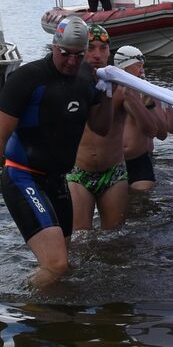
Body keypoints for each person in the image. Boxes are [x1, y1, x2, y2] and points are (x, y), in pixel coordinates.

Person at [0, 16, 113, 287]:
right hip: (24, 178)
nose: (72, 61)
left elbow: (102, 128)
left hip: (58, 181)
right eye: (65, 54)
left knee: (62, 264)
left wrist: (106, 94)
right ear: (53, 46)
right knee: (57, 265)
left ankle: (48, 319)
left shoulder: (85, 78)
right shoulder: (28, 79)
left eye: (78, 55)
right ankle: (25, 314)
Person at [66, 26, 137, 230]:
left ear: (109, 51)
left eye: (103, 48)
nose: (97, 55)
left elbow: (155, 131)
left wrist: (141, 100)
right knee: (80, 240)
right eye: (90, 48)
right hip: (78, 172)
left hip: (113, 172)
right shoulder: (68, 85)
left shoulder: (122, 86)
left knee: (114, 241)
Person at [115, 45, 173, 192]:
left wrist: (156, 103)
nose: (142, 70)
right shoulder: (112, 92)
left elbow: (165, 133)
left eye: (143, 66)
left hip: (141, 160)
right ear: (124, 68)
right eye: (138, 66)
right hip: (115, 162)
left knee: (143, 205)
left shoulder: (148, 92)